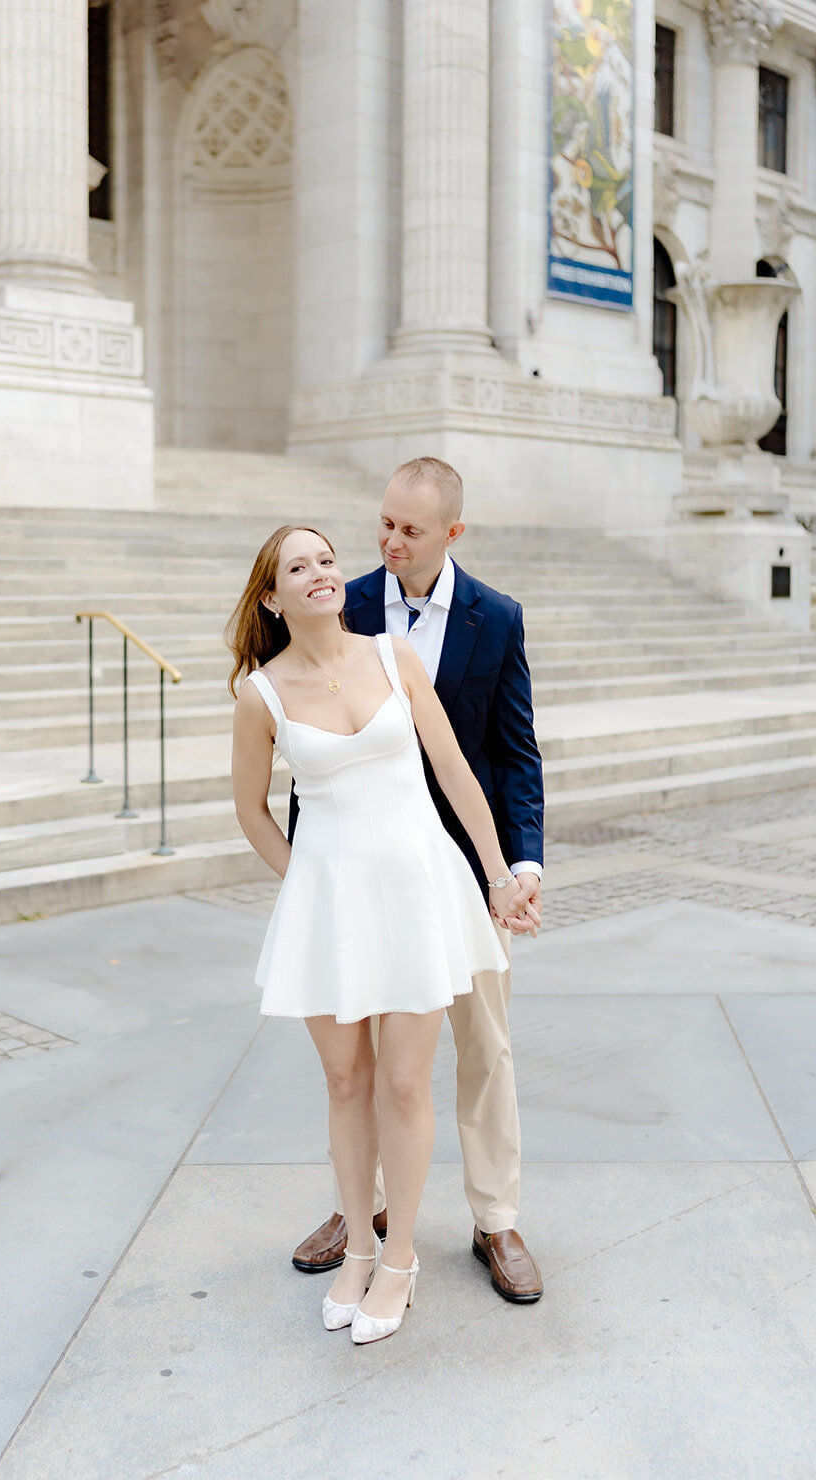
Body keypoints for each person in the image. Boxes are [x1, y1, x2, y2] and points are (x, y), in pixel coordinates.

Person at [227, 524, 537, 1344]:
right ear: (272, 595)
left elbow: (458, 774)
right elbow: (250, 811)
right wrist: (305, 883)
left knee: (405, 1084)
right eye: (299, 566)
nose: (322, 573)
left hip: (415, 893)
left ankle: (400, 1257)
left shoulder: (394, 656)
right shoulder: (260, 694)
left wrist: (501, 876)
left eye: (327, 559)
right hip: (330, 904)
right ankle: (357, 1251)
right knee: (343, 1084)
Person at [291, 457, 546, 1305]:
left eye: (412, 530)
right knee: (359, 1061)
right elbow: (297, 739)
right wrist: (306, 878)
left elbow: (513, 756)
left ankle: (495, 1218)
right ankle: (356, 1212)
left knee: (483, 1046)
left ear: (452, 534)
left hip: (463, 874)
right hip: (361, 875)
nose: (391, 541)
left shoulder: (497, 619)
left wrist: (517, 867)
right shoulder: (342, 601)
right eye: (385, 524)